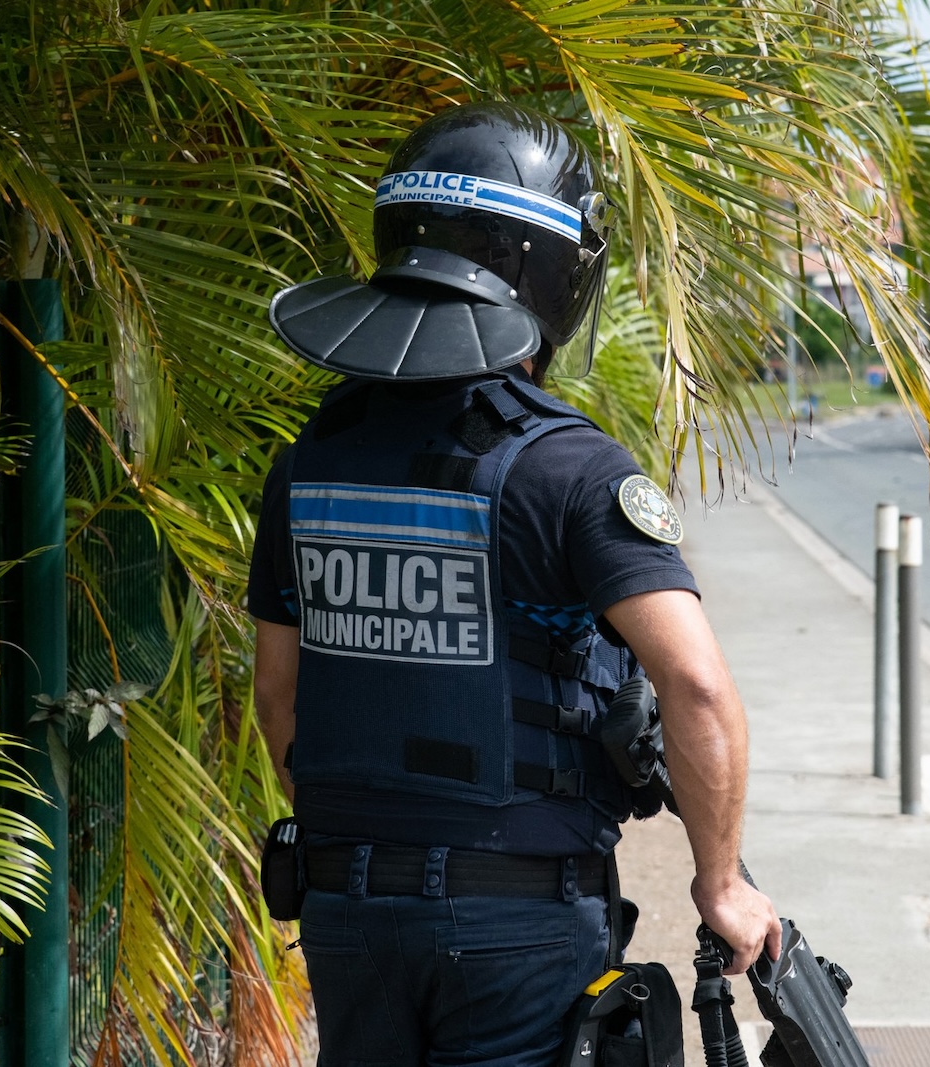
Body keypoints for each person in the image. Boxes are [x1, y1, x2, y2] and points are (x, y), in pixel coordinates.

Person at [247, 102, 781, 1067]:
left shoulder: (311, 461)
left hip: (342, 910)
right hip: (517, 922)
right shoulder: (570, 468)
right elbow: (694, 685)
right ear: (555, 276)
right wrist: (721, 883)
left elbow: (279, 698)